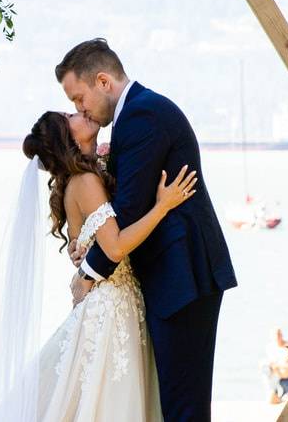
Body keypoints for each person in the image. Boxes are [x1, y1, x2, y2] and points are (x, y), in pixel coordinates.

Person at [59, 38, 238, 421]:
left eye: (79, 98)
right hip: (175, 279)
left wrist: (87, 273)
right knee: (175, 402)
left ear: (103, 81)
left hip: (183, 279)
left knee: (183, 406)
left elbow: (126, 210)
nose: (80, 109)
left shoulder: (141, 117)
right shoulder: (137, 115)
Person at [0, 110, 197, 422]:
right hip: (112, 310)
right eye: (70, 114)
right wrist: (163, 205)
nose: (80, 112)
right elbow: (115, 246)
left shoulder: (86, 177)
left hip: (115, 303)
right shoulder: (85, 182)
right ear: (68, 138)